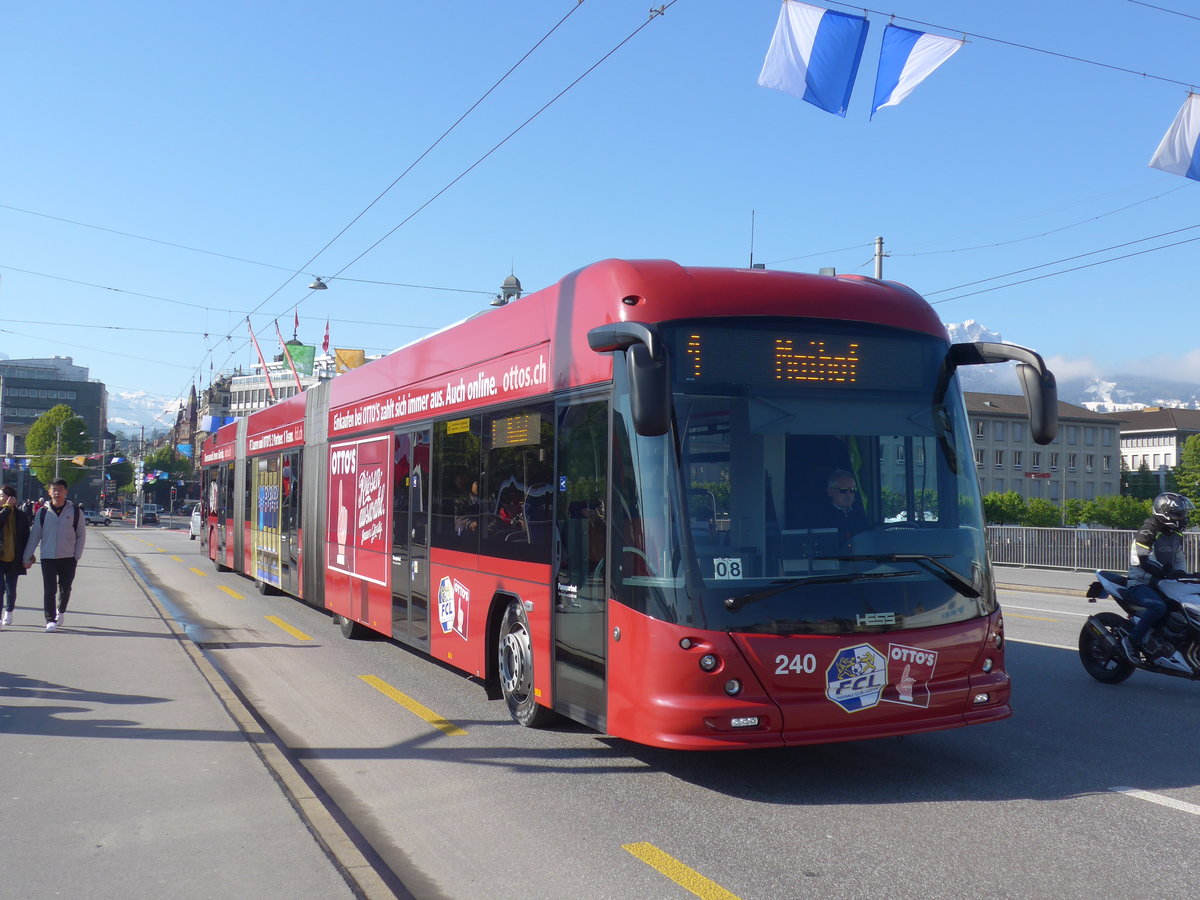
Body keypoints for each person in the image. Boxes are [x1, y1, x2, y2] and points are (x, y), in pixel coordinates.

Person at [1124, 491, 1196, 661]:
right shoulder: (1146, 532)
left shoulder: (1175, 534)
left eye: (1183, 513)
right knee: (1158, 607)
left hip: (1164, 582)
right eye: (1179, 514)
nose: (1183, 517)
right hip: (1141, 583)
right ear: (1164, 513)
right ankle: (1132, 640)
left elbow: (1178, 556)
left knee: (1185, 605)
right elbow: (1143, 559)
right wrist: (1164, 572)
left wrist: (1182, 574)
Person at [23, 478, 87, 632]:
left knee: (65, 588)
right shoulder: (43, 512)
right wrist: (26, 556)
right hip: (48, 557)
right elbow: (34, 536)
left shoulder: (76, 512)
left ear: (66, 491)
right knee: (49, 589)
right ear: (49, 492)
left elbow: (81, 536)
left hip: (68, 557)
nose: (57, 492)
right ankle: (50, 620)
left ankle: (61, 611)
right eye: (54, 489)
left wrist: (76, 555)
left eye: (60, 489)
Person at [0, 485, 33, 628]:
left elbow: (27, 537)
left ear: (10, 498)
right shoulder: (2, 512)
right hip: (1, 556)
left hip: (15, 557)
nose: (0, 498)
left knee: (11, 588)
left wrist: (29, 557)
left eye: (1, 495)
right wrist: (6, 509)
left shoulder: (21, 515)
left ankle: (9, 611)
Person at [810, 468, 869, 544]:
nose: (849, 495)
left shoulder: (859, 515)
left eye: (852, 490)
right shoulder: (820, 517)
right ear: (830, 492)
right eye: (843, 490)